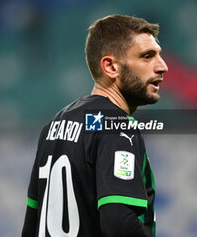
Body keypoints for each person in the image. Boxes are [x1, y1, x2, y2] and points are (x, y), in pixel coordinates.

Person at [22, 14, 168, 237]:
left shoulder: (53, 126)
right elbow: (118, 223)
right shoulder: (117, 126)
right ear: (110, 67)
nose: (162, 66)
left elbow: (32, 225)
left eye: (159, 56)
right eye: (147, 56)